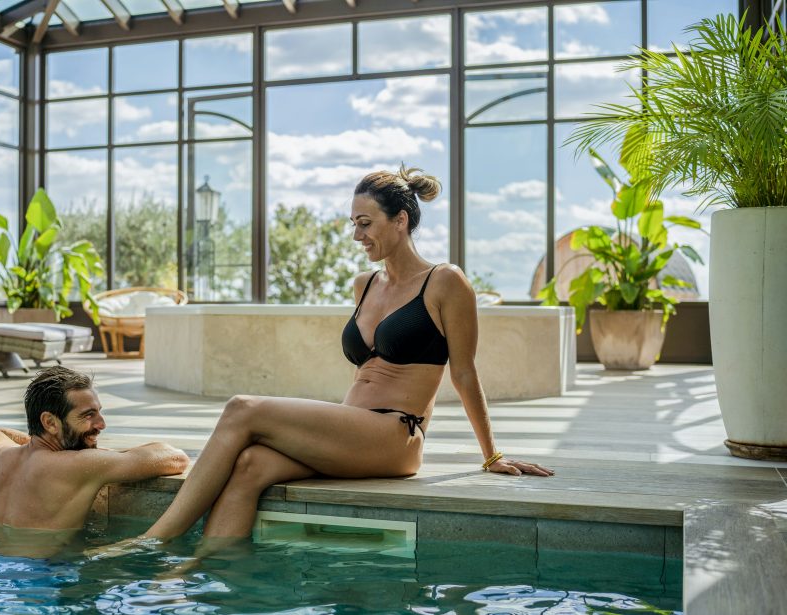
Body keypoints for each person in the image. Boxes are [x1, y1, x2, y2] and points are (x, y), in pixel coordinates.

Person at [124, 165, 554, 548]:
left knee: (242, 409)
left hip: (394, 436)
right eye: (353, 223)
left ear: (400, 220)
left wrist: (492, 455)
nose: (356, 235)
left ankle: (152, 541)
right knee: (251, 464)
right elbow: (363, 374)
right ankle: (197, 572)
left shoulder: (445, 282)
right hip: (355, 432)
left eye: (365, 224)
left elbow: (463, 372)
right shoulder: (364, 284)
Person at [0, 366, 189, 555]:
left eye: (99, 412)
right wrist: (101, 454)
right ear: (50, 422)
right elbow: (176, 458)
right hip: (45, 580)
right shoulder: (79, 465)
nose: (101, 424)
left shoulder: (0, 456)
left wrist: (36, 443)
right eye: (88, 415)